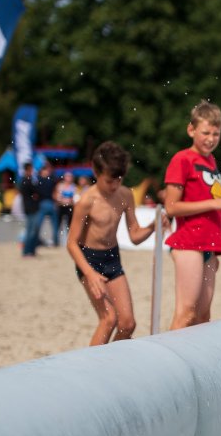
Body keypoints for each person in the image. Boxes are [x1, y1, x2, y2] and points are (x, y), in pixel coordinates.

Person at [67, 141, 165, 346]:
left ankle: (109, 363)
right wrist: (90, 273)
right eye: (110, 180)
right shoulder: (87, 201)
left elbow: (135, 235)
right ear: (96, 171)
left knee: (128, 324)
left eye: (119, 180)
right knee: (109, 318)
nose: (114, 185)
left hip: (112, 257)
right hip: (89, 260)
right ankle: (91, 368)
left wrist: (153, 227)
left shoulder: (125, 195)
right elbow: (72, 244)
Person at [163, 100, 221, 330]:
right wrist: (215, 203)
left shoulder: (211, 161)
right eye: (205, 132)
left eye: (216, 133)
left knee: (203, 317)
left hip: (208, 245)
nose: (211, 138)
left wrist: (214, 251)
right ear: (191, 130)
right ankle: (169, 363)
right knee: (186, 314)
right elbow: (172, 207)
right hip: (188, 244)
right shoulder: (182, 159)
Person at [19, 163, 41, 256]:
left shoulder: (25, 181)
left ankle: (30, 251)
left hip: (30, 208)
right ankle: (28, 251)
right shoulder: (27, 181)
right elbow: (36, 192)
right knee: (31, 231)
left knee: (32, 230)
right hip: (31, 209)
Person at [54, 171, 78, 244]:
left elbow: (75, 198)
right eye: (67, 177)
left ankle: (70, 241)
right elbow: (56, 196)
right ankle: (56, 241)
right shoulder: (60, 185)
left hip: (69, 207)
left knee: (70, 225)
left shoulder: (73, 186)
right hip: (61, 206)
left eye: (70, 177)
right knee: (58, 224)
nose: (68, 178)